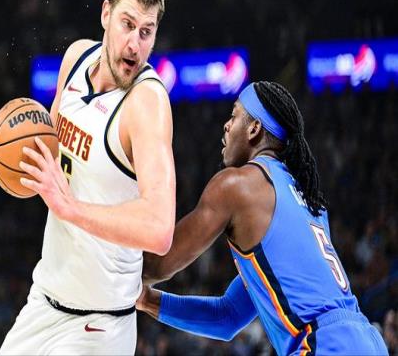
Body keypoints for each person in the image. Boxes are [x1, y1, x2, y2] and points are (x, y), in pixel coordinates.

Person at [0, 0, 176, 355]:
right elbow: (47, 150)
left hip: (100, 325)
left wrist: (70, 207)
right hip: (43, 301)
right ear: (106, 14)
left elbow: (160, 228)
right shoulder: (76, 57)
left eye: (146, 32)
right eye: (127, 24)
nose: (135, 44)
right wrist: (15, 158)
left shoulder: (147, 103)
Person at [137, 81, 388, 355]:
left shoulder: (238, 185)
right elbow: (228, 316)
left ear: (254, 128)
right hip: (367, 341)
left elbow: (156, 266)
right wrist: (148, 300)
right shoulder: (308, 200)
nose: (226, 125)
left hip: (325, 344)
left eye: (234, 116)